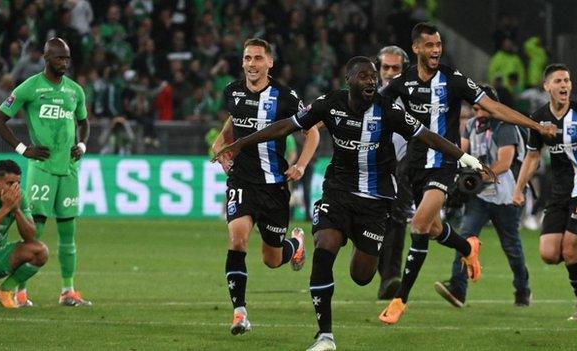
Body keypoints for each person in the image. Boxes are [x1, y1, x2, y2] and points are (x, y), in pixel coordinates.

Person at [213, 56, 492, 351]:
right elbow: (285, 126)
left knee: (361, 276)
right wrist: (242, 143)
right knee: (324, 246)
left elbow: (427, 135)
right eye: (364, 76)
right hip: (338, 192)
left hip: (376, 201)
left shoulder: (389, 111)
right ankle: (325, 336)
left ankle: (369, 247)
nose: (371, 80)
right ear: (349, 81)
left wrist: (465, 158)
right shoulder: (329, 104)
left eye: (373, 76)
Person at [379, 22, 555, 325]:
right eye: (430, 45)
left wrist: (537, 126)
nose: (436, 50)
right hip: (415, 166)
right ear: (417, 49)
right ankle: (467, 246)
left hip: (445, 164)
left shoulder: (453, 79)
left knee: (419, 227)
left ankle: (399, 300)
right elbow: (372, 106)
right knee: (433, 230)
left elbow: (494, 108)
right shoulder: (401, 82)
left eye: (439, 45)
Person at [210, 38, 320, 336]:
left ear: (269, 62)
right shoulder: (232, 91)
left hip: (274, 186)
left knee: (272, 259)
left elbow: (311, 133)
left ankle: (293, 245)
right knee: (237, 240)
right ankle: (239, 312)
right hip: (242, 180)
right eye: (247, 58)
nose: (252, 64)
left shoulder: (285, 97)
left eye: (258, 58)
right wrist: (220, 145)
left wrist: (301, 165)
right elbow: (232, 123)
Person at [0, 37, 91, 307]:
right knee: (33, 233)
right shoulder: (31, 87)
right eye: (60, 58)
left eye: (67, 58)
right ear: (47, 58)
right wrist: (23, 149)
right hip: (42, 170)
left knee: (69, 232)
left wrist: (81, 144)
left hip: (68, 171)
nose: (65, 63)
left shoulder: (75, 91)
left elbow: (84, 122)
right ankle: (19, 292)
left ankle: (68, 291)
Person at [513, 64, 577, 321]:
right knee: (550, 254)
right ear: (547, 87)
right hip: (558, 193)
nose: (565, 85)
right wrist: (518, 190)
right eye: (559, 81)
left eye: (568, 80)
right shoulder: (539, 118)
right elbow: (532, 157)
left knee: (571, 252)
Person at [434, 85, 531, 308]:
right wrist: (460, 180)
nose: (480, 114)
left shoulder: (504, 126)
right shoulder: (469, 126)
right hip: (479, 195)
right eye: (476, 109)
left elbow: (504, 163)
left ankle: (522, 289)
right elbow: (464, 154)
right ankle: (458, 290)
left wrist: (478, 176)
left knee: (511, 247)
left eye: (484, 109)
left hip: (504, 195)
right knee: (466, 239)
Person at [0, 160, 48, 308]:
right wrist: (5, 209)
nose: (14, 188)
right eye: (10, 183)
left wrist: (16, 210)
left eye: (18, 184)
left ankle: (4, 291)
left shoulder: (19, 197)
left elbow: (31, 236)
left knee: (40, 251)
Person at [376, 45, 413, 299]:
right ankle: (382, 273)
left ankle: (391, 277)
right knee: (372, 223)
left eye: (395, 68)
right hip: (372, 168)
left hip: (404, 166)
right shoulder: (369, 97)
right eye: (385, 67)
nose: (389, 73)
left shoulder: (414, 101)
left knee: (397, 220)